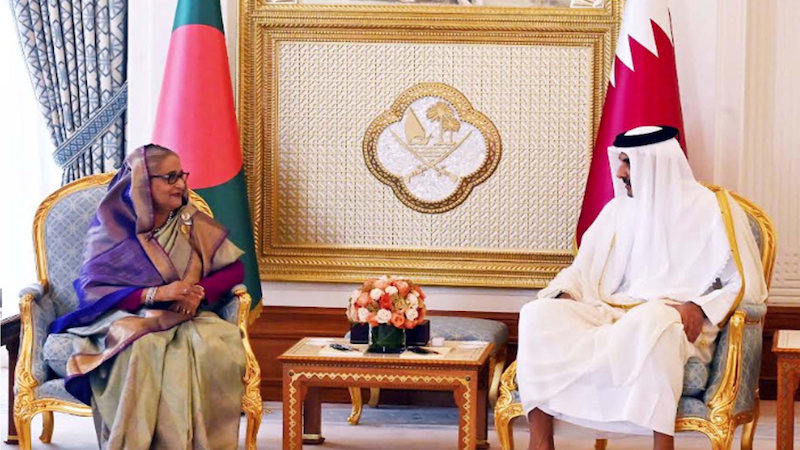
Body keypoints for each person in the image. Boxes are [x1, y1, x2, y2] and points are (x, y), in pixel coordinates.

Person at [516, 126, 767, 450]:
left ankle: (662, 445)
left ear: (656, 163)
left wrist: (699, 306)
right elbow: (582, 269)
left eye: (627, 162)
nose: (619, 172)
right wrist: (566, 293)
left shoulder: (713, 209)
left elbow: (734, 277)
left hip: (672, 315)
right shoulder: (617, 211)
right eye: (620, 161)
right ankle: (540, 441)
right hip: (608, 310)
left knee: (654, 323)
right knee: (538, 314)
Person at [49, 144, 247, 450]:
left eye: (181, 175)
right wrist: (155, 293)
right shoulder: (111, 228)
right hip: (121, 316)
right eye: (170, 177)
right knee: (142, 345)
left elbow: (234, 269)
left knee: (207, 346)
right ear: (142, 181)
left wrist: (199, 294)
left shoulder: (189, 220)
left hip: (188, 317)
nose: (181, 184)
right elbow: (93, 290)